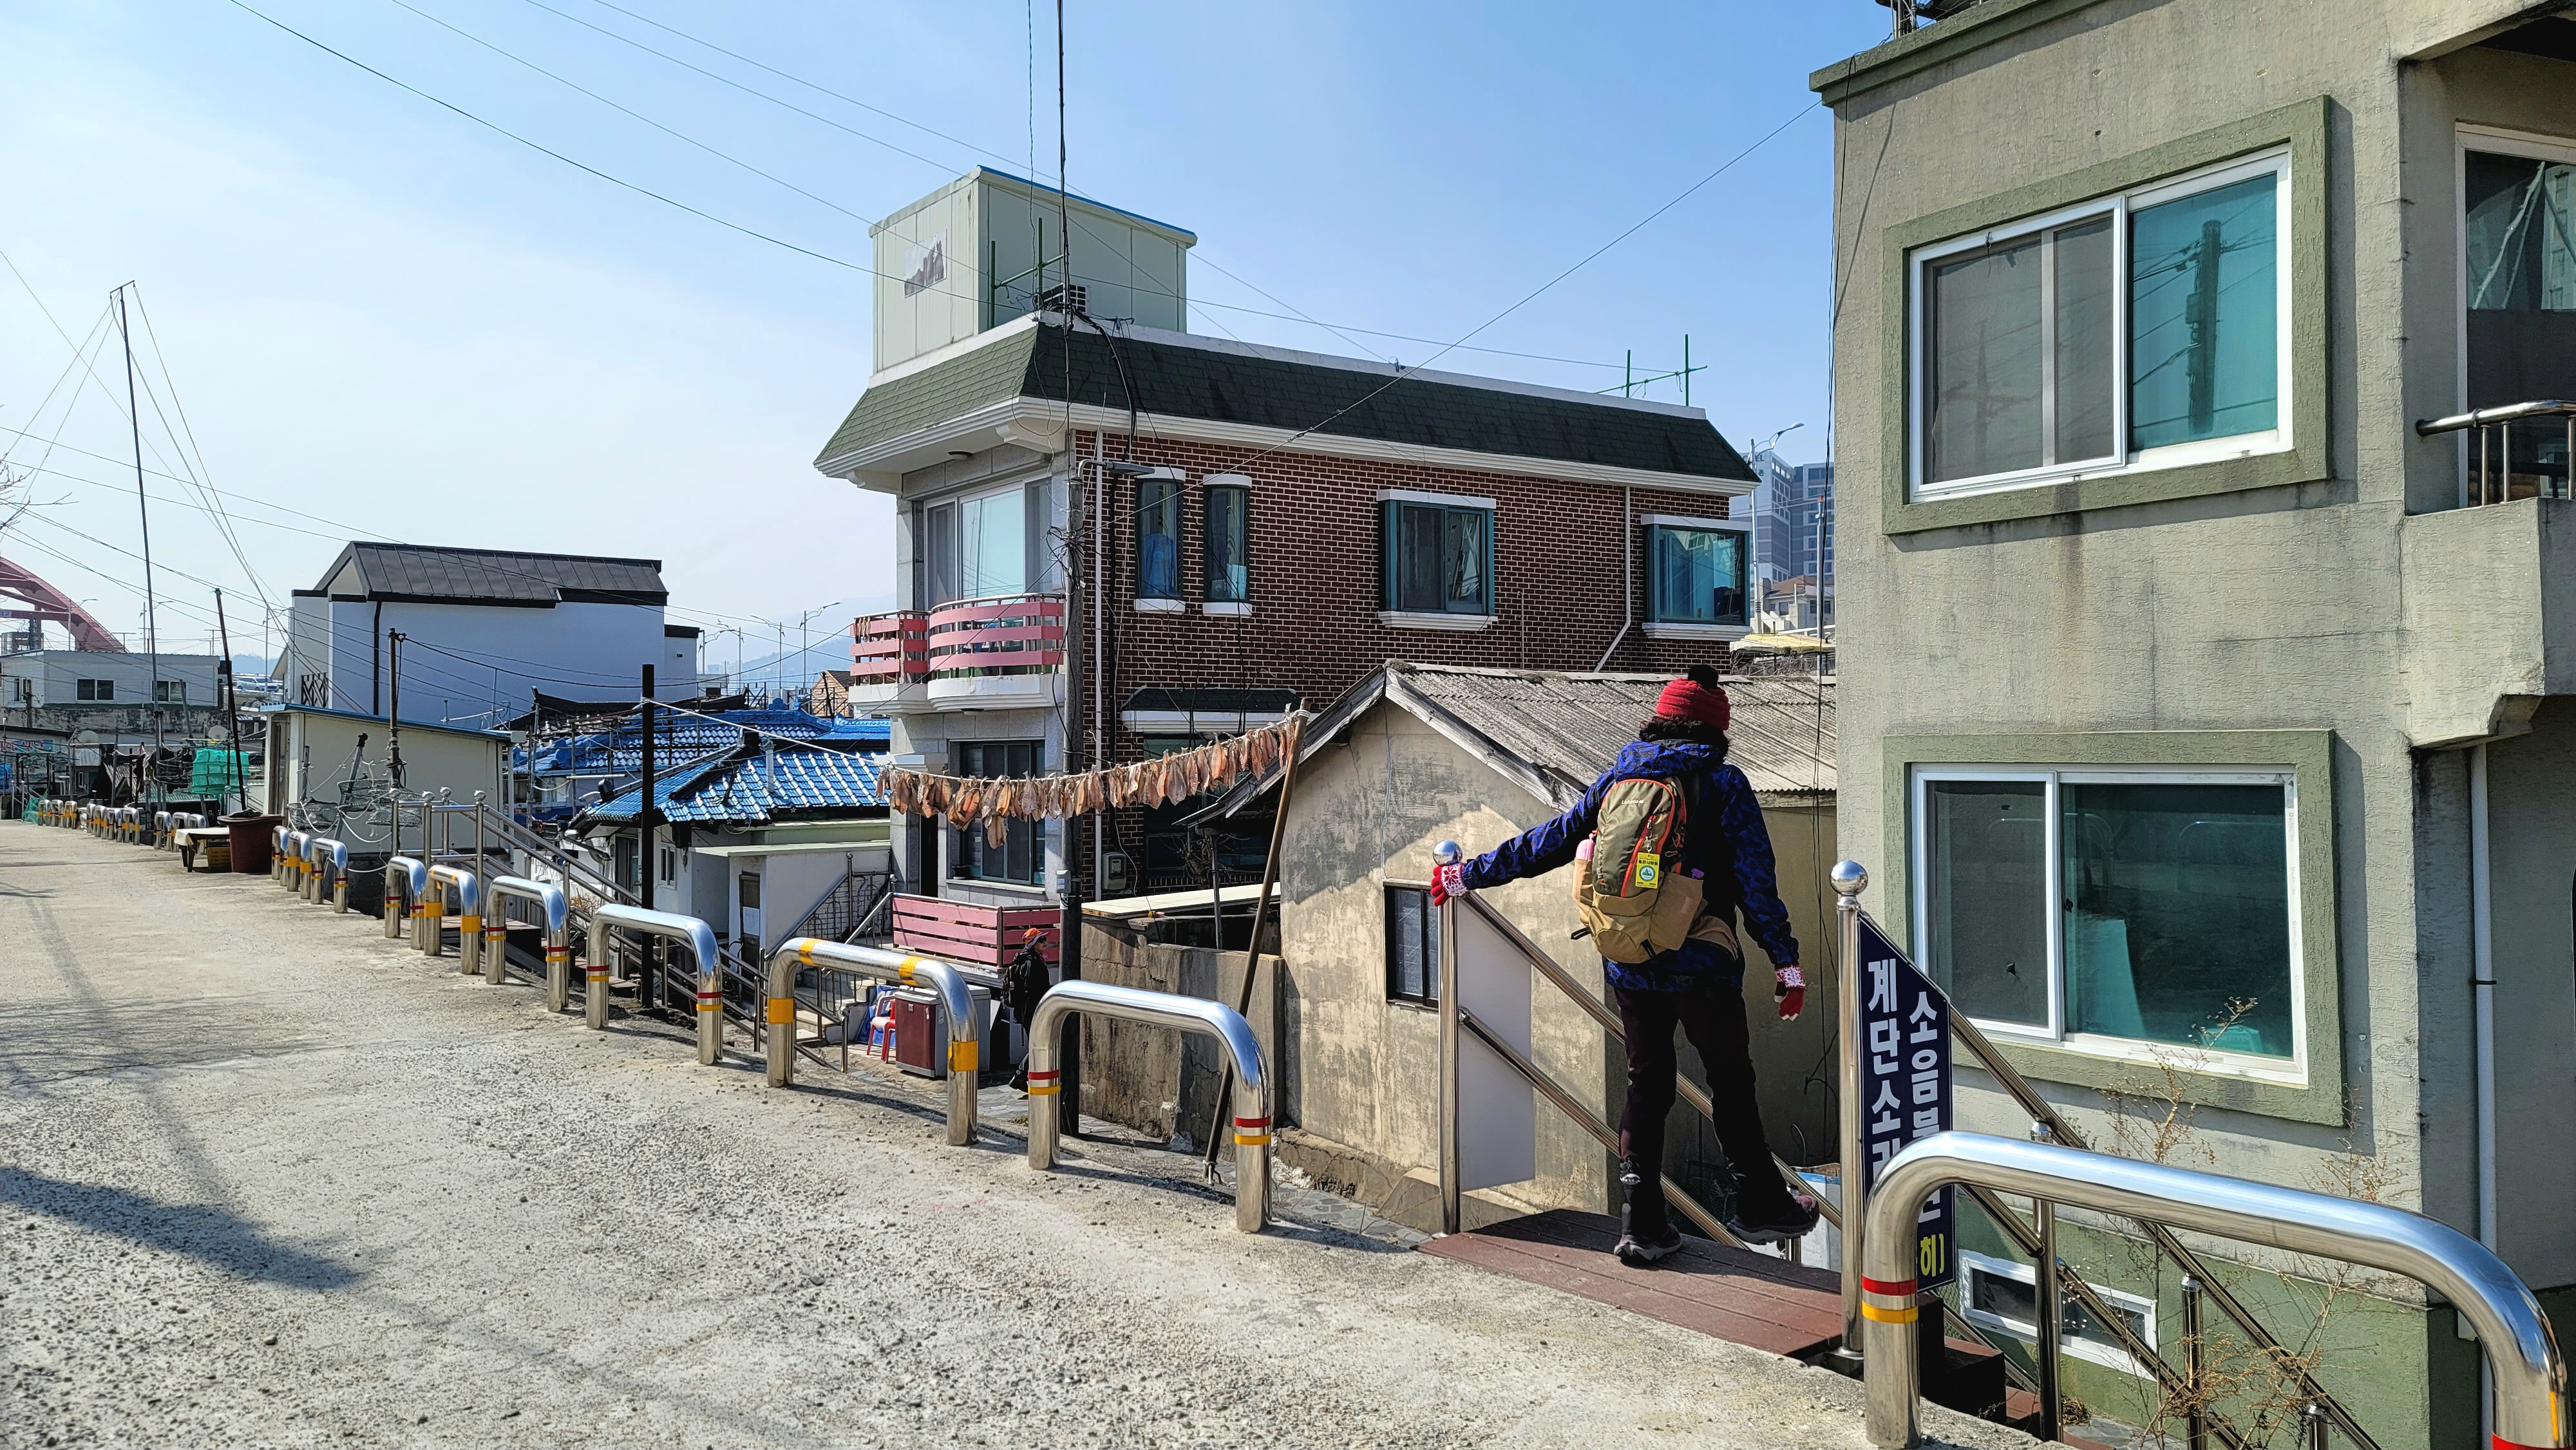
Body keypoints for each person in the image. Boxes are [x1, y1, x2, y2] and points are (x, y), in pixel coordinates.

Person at [1432, 663, 1818, 1266]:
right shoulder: (1723, 783)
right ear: (1715, 730)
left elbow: (1552, 840)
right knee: (1730, 1082)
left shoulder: (1620, 777)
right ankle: (1761, 1204)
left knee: (1647, 1084)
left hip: (1629, 959)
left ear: (1659, 721)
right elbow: (1756, 884)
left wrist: (1466, 874)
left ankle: (1641, 1224)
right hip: (1702, 962)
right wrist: (1786, 963)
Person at [1003, 925, 1052, 1092]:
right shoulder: (1031, 963)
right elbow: (1032, 990)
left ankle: (1024, 1077)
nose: (1045, 942)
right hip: (1032, 1012)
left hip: (1028, 1012)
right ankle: (1020, 1076)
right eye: (1041, 940)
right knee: (1039, 1045)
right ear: (1032, 944)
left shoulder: (1031, 960)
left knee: (1038, 1044)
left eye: (1045, 939)